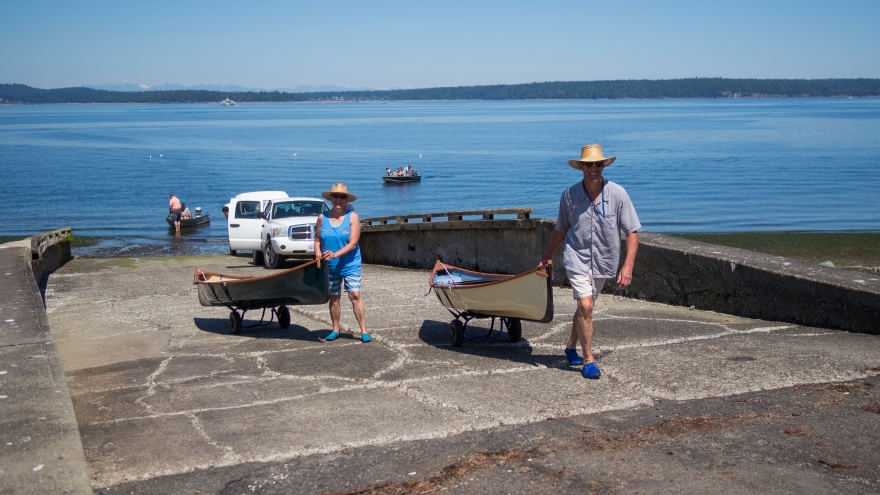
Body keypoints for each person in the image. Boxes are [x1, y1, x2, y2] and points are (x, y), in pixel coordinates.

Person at [539, 144, 640, 379]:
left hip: (605, 261)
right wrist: (547, 256)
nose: (593, 169)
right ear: (581, 167)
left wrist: (628, 266)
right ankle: (588, 360)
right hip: (577, 257)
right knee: (585, 306)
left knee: (586, 307)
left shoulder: (618, 194)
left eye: (597, 164)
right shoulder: (569, 195)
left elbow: (632, 232)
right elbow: (561, 230)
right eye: (588, 164)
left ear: (603, 165)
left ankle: (570, 346)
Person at [315, 183, 370, 343]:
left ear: (346, 201)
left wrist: (335, 254)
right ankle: (335, 329)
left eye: (342, 197)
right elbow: (317, 240)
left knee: (355, 295)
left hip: (350, 264)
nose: (338, 199)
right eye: (336, 196)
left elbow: (353, 243)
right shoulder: (322, 217)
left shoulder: (352, 217)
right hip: (330, 266)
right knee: (334, 297)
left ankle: (363, 331)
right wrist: (318, 253)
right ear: (331, 199)